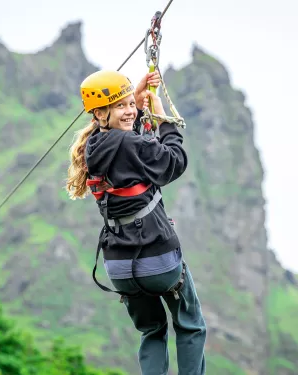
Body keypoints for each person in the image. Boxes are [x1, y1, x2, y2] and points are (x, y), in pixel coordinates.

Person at [65, 69, 207, 375]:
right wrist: (161, 117)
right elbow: (175, 161)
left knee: (152, 331)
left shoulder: (91, 147)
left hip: (119, 267)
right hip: (158, 260)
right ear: (101, 113)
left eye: (131, 103)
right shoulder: (132, 145)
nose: (130, 110)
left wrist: (136, 101)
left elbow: (123, 137)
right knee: (191, 324)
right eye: (122, 105)